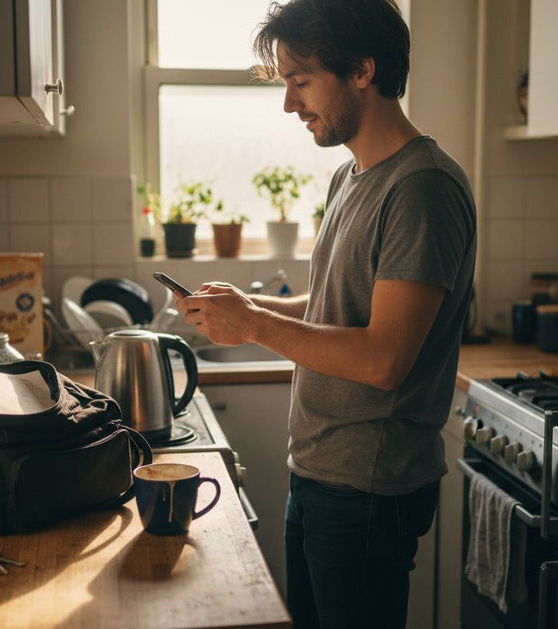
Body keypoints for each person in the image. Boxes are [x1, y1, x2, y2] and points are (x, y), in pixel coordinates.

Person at [180, 1, 476, 626]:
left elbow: (383, 359)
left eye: (300, 80)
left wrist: (256, 327)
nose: (290, 104)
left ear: (363, 70)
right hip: (322, 473)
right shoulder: (352, 177)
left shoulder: (422, 188)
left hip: (369, 488)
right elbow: (330, 306)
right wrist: (246, 307)